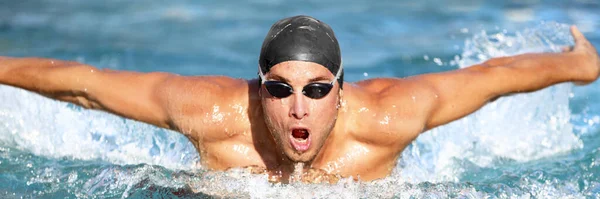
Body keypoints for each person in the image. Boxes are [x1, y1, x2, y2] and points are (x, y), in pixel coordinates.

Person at [0, 15, 598, 183]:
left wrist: (579, 66)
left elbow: (498, 76)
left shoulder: (388, 118)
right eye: (279, 89)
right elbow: (81, 81)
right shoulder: (213, 112)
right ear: (258, 87)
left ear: (340, 90)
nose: (297, 108)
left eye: (316, 90)